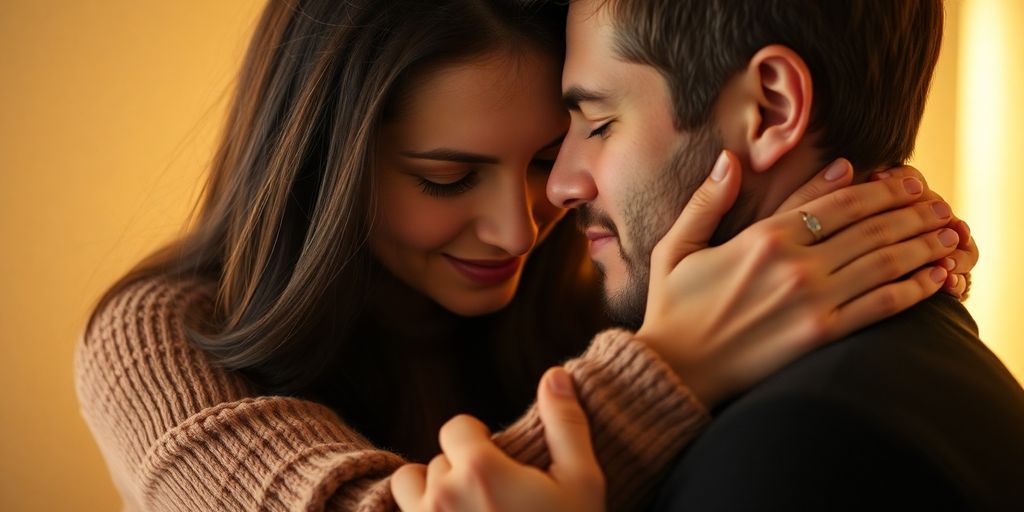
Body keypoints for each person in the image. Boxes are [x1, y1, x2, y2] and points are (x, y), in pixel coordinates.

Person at [74, 1, 976, 511]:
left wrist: (873, 237)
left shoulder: (589, 277)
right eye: (445, 178)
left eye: (554, 151)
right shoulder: (156, 337)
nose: (520, 227)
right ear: (324, 162)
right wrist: (672, 366)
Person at [413, 0, 1019, 510]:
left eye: (598, 124)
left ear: (770, 110)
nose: (560, 185)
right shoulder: (899, 370)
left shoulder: (795, 448)